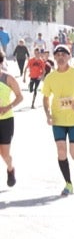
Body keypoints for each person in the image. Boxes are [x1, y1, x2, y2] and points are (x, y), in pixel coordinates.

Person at [41, 44, 74, 196]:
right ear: (54, 57)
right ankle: (68, 184)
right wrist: (48, 114)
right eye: (57, 55)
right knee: (61, 151)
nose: (60, 58)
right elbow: (45, 98)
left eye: (63, 55)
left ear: (69, 56)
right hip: (58, 119)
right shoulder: (50, 77)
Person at [0, 51, 25, 187]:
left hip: (5, 120)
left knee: (5, 154)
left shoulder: (8, 78)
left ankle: (10, 168)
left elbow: (20, 97)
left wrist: (7, 107)